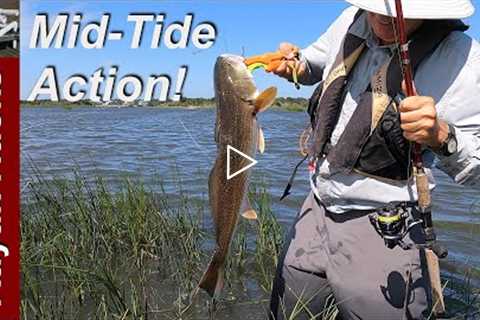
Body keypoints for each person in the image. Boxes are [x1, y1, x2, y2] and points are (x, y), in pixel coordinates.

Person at [268, 0, 480, 319]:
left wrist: (441, 135)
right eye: (373, 6)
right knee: (287, 311)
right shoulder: (349, 20)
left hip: (386, 220)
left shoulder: (463, 59)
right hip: (316, 204)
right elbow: (312, 64)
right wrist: (293, 65)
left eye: (399, 12)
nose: (381, 16)